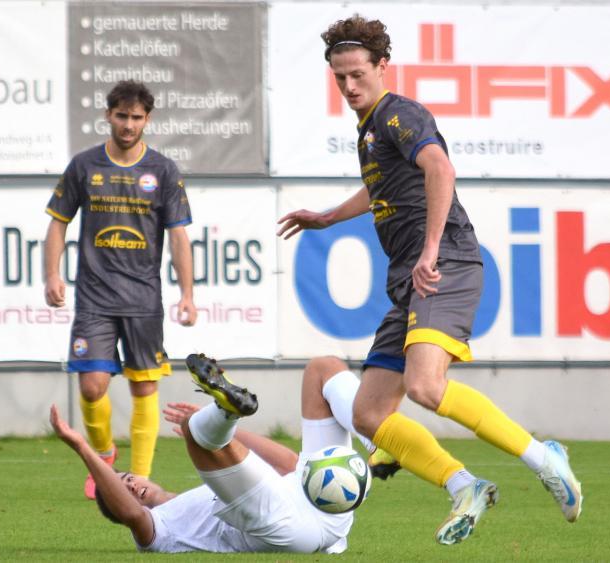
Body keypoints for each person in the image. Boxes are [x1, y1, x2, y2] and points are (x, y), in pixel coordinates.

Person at [276, 15, 583, 545]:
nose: (349, 87)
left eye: (357, 75)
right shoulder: (369, 129)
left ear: (382, 67)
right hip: (409, 279)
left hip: (447, 264)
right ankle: (465, 485)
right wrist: (327, 218)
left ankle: (542, 456)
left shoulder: (399, 114)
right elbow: (382, 190)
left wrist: (433, 248)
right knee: (371, 415)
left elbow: (439, 169)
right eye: (339, 78)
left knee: (423, 386)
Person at [49, 353, 374, 554]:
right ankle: (222, 413)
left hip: (326, 506)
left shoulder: (201, 495)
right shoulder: (157, 529)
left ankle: (379, 439)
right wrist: (81, 446)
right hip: (284, 528)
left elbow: (290, 463)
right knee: (194, 430)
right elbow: (132, 514)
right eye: (124, 490)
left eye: (128, 478)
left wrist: (229, 430)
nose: (131, 486)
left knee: (322, 368)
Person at [43, 79, 197, 499]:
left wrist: (187, 293)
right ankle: (104, 456)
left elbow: (179, 236)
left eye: (136, 117)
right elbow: (58, 223)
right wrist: (52, 275)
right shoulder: (84, 166)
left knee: (143, 386)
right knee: (92, 385)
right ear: (108, 115)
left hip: (143, 300)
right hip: (94, 296)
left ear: (147, 119)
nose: (128, 125)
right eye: (121, 116)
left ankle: (139, 480)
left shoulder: (163, 171)